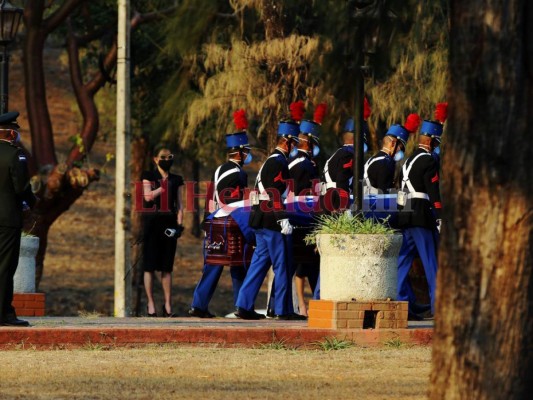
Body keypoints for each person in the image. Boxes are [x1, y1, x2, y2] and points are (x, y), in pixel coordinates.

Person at [235, 105, 302, 320]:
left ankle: (244, 305)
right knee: (282, 263)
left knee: (259, 263)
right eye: (294, 142)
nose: (295, 147)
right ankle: (284, 310)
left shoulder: (274, 160)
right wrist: (282, 218)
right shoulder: (278, 161)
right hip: (271, 217)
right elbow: (273, 192)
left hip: (261, 216)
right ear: (287, 141)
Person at [189, 110, 251, 318]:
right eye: (246, 152)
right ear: (240, 153)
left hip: (215, 219)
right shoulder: (239, 173)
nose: (247, 156)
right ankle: (242, 305)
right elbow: (236, 201)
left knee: (212, 265)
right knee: (240, 263)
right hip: (230, 221)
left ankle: (198, 304)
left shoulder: (220, 169)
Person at [396, 102, 447, 320]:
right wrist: (440, 217)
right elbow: (433, 191)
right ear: (433, 140)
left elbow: (401, 189)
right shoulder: (428, 160)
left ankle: (397, 300)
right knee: (431, 263)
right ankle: (439, 308)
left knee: (401, 262)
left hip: (406, 214)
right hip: (421, 216)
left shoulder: (408, 160)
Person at [287, 104, 325, 316]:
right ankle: (306, 304)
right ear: (308, 142)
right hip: (302, 217)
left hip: (299, 216)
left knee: (307, 264)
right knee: (302, 262)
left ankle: (312, 304)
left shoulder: (299, 161)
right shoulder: (304, 163)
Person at [0, 111, 35, 327]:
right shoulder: (13, 155)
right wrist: (32, 202)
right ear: (12, 134)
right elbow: (21, 187)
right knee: (5, 267)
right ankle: (4, 314)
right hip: (6, 219)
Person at [141, 145, 184, 317]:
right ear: (155, 159)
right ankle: (151, 304)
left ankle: (168, 305)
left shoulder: (177, 179)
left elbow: (180, 205)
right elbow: (148, 196)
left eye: (169, 157)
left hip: (169, 224)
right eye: (163, 157)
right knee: (149, 266)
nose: (166, 160)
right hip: (152, 223)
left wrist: (179, 226)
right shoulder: (149, 176)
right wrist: (162, 187)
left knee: (167, 267)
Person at [320, 98, 371, 212]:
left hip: (329, 200)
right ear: (357, 139)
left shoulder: (340, 152)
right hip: (335, 203)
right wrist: (344, 207)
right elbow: (342, 181)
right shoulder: (348, 154)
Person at [363, 113, 420, 194]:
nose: (400, 152)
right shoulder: (386, 162)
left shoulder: (372, 159)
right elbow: (384, 194)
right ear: (393, 144)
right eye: (400, 148)